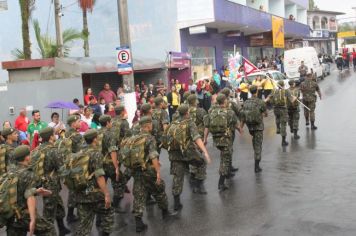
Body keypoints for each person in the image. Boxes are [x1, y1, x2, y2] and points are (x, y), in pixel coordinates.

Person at [126, 116, 176, 232]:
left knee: (138, 193)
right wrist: (158, 172)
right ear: (148, 126)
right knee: (159, 190)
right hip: (148, 170)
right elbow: (153, 155)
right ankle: (165, 213)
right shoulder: (149, 138)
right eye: (151, 124)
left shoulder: (133, 138)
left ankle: (139, 222)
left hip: (136, 170)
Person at [5, 145, 56, 235]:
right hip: (23, 214)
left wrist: (36, 191)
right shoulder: (29, 174)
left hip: (10, 214)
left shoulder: (10, 170)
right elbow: (29, 196)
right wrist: (32, 219)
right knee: (49, 229)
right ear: (27, 157)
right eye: (30, 154)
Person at [168, 104, 211, 210]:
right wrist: (205, 152)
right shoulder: (189, 122)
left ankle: (176, 202)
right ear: (187, 113)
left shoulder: (173, 123)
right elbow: (196, 137)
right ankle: (198, 185)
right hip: (188, 152)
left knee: (178, 177)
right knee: (201, 163)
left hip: (175, 153)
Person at [75, 129, 114, 236]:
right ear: (95, 139)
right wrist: (106, 193)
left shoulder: (77, 154)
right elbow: (99, 176)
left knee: (84, 224)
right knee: (108, 212)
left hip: (80, 193)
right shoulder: (96, 154)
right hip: (95, 194)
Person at [36, 127, 71, 235]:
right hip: (51, 184)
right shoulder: (54, 150)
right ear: (51, 136)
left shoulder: (37, 150)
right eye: (53, 134)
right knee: (49, 212)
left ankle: (62, 228)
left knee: (58, 205)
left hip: (42, 182)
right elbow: (61, 169)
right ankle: (46, 233)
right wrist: (69, 183)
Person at [204, 94, 240, 191]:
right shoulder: (229, 112)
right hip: (226, 139)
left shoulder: (211, 112)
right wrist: (240, 129)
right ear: (224, 101)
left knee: (224, 156)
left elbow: (207, 126)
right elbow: (235, 123)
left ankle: (227, 174)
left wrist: (205, 138)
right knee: (225, 160)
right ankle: (221, 183)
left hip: (216, 140)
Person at [239, 85, 267, 173]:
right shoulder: (260, 102)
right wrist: (262, 114)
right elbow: (265, 113)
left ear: (250, 92)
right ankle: (256, 166)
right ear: (257, 91)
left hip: (250, 127)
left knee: (255, 143)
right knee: (258, 145)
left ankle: (256, 158)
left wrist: (241, 127)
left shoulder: (246, 102)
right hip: (258, 126)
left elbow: (243, 116)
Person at [98, 115, 123, 214]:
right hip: (109, 163)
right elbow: (113, 151)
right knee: (119, 182)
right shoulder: (110, 134)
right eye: (110, 122)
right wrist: (116, 167)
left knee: (101, 185)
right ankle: (115, 205)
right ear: (108, 123)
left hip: (99, 163)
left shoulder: (97, 133)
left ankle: (101, 209)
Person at [186, 95, 209, 194]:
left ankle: (193, 178)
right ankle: (199, 184)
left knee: (192, 158)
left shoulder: (184, 111)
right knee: (201, 160)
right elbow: (206, 125)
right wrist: (205, 138)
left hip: (187, 138)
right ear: (195, 101)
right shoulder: (201, 111)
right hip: (198, 137)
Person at [65, 115, 84, 223]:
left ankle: (70, 214)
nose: (80, 122)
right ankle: (76, 214)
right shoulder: (77, 136)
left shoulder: (66, 134)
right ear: (73, 124)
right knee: (78, 189)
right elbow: (82, 151)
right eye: (78, 121)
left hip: (69, 165)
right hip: (77, 165)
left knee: (72, 190)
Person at [265, 80, 296, 146]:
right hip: (283, 109)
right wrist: (295, 98)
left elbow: (268, 97)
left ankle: (278, 128)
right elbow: (291, 100)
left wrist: (264, 101)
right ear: (283, 85)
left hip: (276, 108)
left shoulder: (274, 91)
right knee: (283, 124)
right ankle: (283, 141)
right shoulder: (286, 91)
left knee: (277, 117)